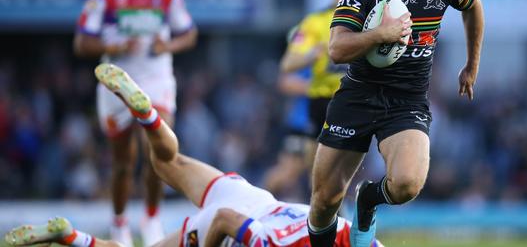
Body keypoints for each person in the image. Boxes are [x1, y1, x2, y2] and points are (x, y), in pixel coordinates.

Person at [4, 64, 383, 247]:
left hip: (255, 199)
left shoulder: (355, 240)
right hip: (237, 216)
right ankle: (68, 235)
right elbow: (225, 219)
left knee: (167, 161)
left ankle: (149, 115)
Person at [306, 0, 485, 247]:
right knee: (324, 200)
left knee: (406, 185)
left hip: (407, 102)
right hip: (358, 96)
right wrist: (380, 35)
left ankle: (368, 199)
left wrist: (471, 65)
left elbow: (473, 5)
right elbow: (337, 48)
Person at [73, 0, 198, 247]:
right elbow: (81, 42)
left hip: (156, 82)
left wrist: (167, 44)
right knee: (123, 163)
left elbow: (189, 34)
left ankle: (152, 218)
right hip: (117, 83)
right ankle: (119, 224)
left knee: (158, 152)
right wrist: (109, 45)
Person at [263, 0, 357, 200]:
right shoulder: (315, 24)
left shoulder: (369, 24)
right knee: (291, 173)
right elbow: (286, 74)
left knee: (339, 175)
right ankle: (257, 209)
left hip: (349, 109)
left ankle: (334, 224)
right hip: (308, 117)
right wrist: (313, 56)